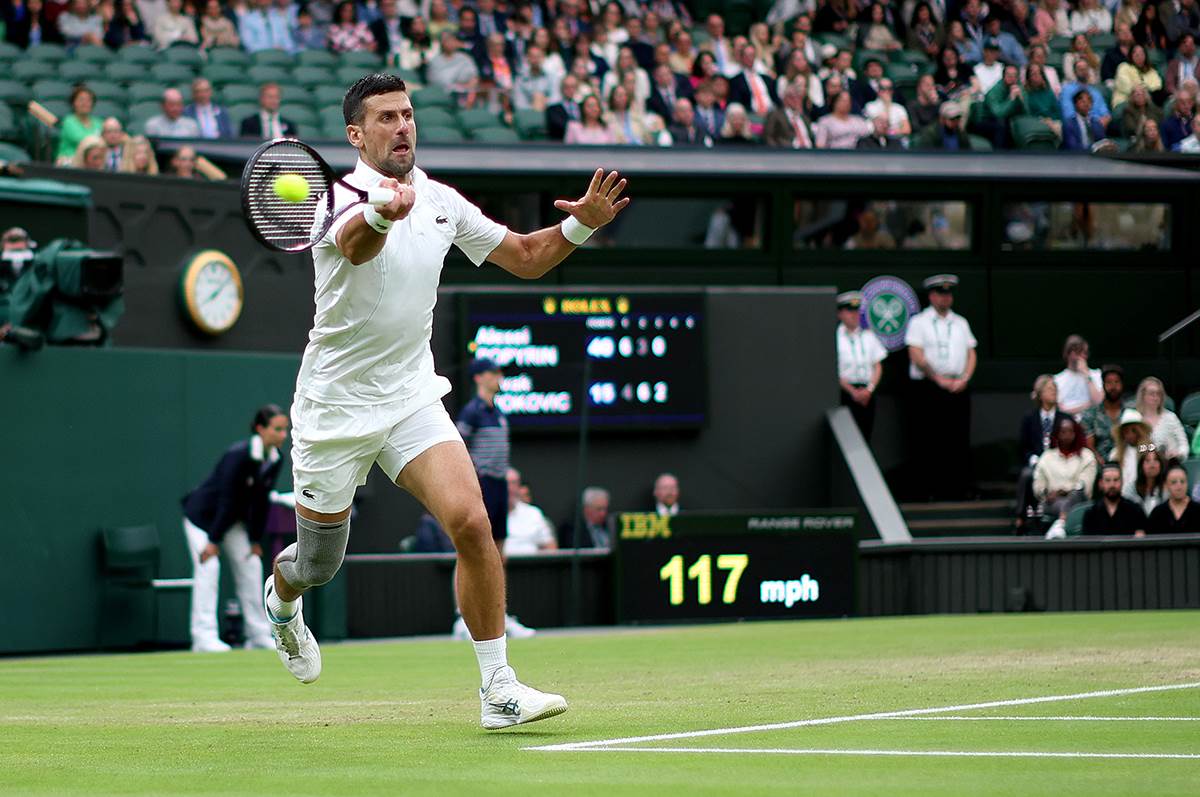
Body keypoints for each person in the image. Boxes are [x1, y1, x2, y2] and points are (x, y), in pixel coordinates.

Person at [261, 74, 628, 729]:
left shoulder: (441, 200)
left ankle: (499, 690)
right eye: (385, 117)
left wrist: (580, 225)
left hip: (410, 397)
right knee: (318, 564)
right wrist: (382, 212)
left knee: (473, 523)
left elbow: (524, 256)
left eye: (407, 114)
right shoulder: (334, 200)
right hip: (335, 409)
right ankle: (283, 600)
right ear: (356, 135)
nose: (402, 126)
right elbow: (356, 245)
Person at [181, 405, 287, 652]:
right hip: (203, 518)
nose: (283, 435)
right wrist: (213, 541)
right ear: (260, 429)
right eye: (277, 429)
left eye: (285, 430)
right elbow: (227, 500)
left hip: (231, 522)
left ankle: (257, 634)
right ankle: (203, 636)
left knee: (251, 565)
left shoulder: (275, 459)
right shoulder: (237, 455)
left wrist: (255, 540)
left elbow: (261, 501)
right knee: (209, 567)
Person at [905, 274, 977, 499]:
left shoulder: (961, 322)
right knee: (929, 439)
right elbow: (915, 353)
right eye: (940, 294)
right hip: (929, 388)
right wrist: (937, 378)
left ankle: (957, 489)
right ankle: (929, 490)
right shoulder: (919, 322)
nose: (945, 298)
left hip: (958, 386)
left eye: (948, 294)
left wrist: (965, 378)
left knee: (957, 438)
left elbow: (971, 352)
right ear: (931, 296)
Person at [1016, 374, 1073, 526]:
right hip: (1036, 462)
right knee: (1027, 474)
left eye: (1055, 388)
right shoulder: (1029, 418)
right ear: (1040, 394)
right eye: (1049, 389)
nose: (1053, 391)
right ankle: (1021, 518)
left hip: (1059, 463)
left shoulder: (1065, 418)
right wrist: (1033, 459)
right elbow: (1023, 446)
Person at [1034, 417, 1098, 538]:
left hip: (1078, 501)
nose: (1067, 435)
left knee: (1073, 496)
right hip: (1052, 502)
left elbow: (1085, 486)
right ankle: (1060, 526)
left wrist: (1065, 490)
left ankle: (1060, 524)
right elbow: (1038, 485)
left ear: (1076, 433)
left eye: (1070, 431)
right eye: (1063, 432)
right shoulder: (1046, 457)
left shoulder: (1086, 456)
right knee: (1060, 503)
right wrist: (1047, 493)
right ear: (1057, 434)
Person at [835, 290, 886, 440]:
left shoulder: (869, 336)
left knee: (866, 434)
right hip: (845, 393)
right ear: (840, 314)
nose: (854, 315)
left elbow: (877, 366)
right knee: (847, 437)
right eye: (850, 311)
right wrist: (852, 391)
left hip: (867, 392)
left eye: (856, 311)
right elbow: (832, 370)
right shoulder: (835, 338)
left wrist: (869, 389)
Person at [1081, 463, 1147, 536]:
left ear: (1122, 482)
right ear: (1101, 483)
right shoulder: (1091, 514)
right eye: (1107, 480)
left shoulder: (1135, 511)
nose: (1112, 485)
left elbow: (1141, 539)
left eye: (1116, 480)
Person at [503, 467, 557, 556]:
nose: (510, 488)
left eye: (513, 483)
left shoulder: (534, 513)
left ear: (519, 486)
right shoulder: (488, 514)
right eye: (506, 483)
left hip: (532, 564)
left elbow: (550, 547)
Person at [1135, 377, 1189, 461]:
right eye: (1151, 393)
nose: (1155, 397)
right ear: (1143, 396)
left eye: (1159, 394)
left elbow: (1184, 444)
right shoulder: (1134, 418)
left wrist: (1178, 453)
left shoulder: (1170, 417)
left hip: (1169, 464)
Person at [1081, 364, 1126, 460]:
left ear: (1122, 384)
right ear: (1103, 385)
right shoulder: (1091, 413)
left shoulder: (1130, 412)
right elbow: (1089, 446)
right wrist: (1103, 465)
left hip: (1127, 461)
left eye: (1117, 382)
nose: (1113, 386)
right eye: (1109, 382)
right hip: (1098, 463)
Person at [1053, 335, 1102, 418]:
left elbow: (1099, 402)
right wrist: (1089, 405)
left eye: (1085, 353)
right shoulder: (1057, 379)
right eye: (1078, 352)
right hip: (1068, 423)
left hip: (1092, 422)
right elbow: (1060, 410)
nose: (1082, 356)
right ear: (1068, 353)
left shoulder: (1097, 374)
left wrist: (1087, 375)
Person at [55, 86, 102, 166]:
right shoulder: (69, 122)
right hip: (69, 162)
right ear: (74, 103)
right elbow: (84, 142)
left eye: (88, 100)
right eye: (81, 100)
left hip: (92, 164)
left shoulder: (98, 122)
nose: (85, 103)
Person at [1148, 463, 1200, 532]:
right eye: (1174, 482)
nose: (1179, 486)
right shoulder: (1158, 513)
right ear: (1166, 485)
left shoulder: (1198, 510)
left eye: (1182, 481)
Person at [764, 80, 815, 147]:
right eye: (792, 97)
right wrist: (776, 151)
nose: (796, 100)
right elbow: (768, 136)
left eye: (799, 97)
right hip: (787, 151)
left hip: (810, 151)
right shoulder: (775, 115)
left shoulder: (804, 117)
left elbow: (811, 138)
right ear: (785, 98)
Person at [1111, 408, 1153, 487]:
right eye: (1126, 431)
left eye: (1134, 431)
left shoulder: (1150, 450)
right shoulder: (1115, 454)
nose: (1130, 435)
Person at [1124, 446, 1166, 515]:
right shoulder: (1130, 489)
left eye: (1156, 460)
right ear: (1141, 465)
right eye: (1147, 460)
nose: (1152, 464)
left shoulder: (1168, 488)